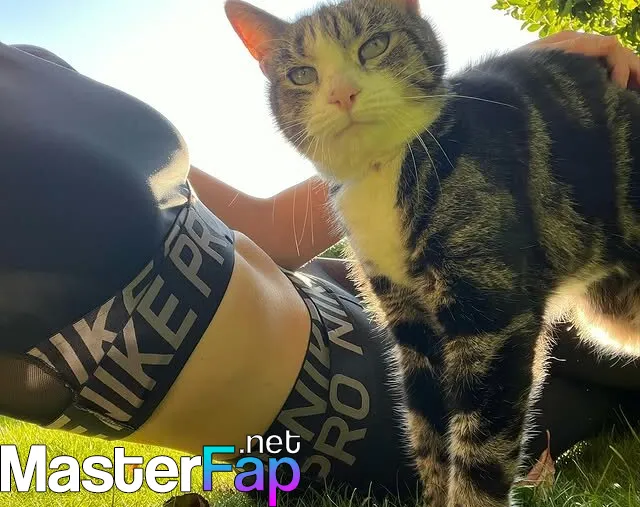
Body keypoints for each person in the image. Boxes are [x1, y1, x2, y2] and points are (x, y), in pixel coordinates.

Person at [1, 29, 640, 505]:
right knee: (588, 387)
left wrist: (496, 99)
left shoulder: (32, 61)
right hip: (343, 423)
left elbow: (272, 231)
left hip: (351, 292)